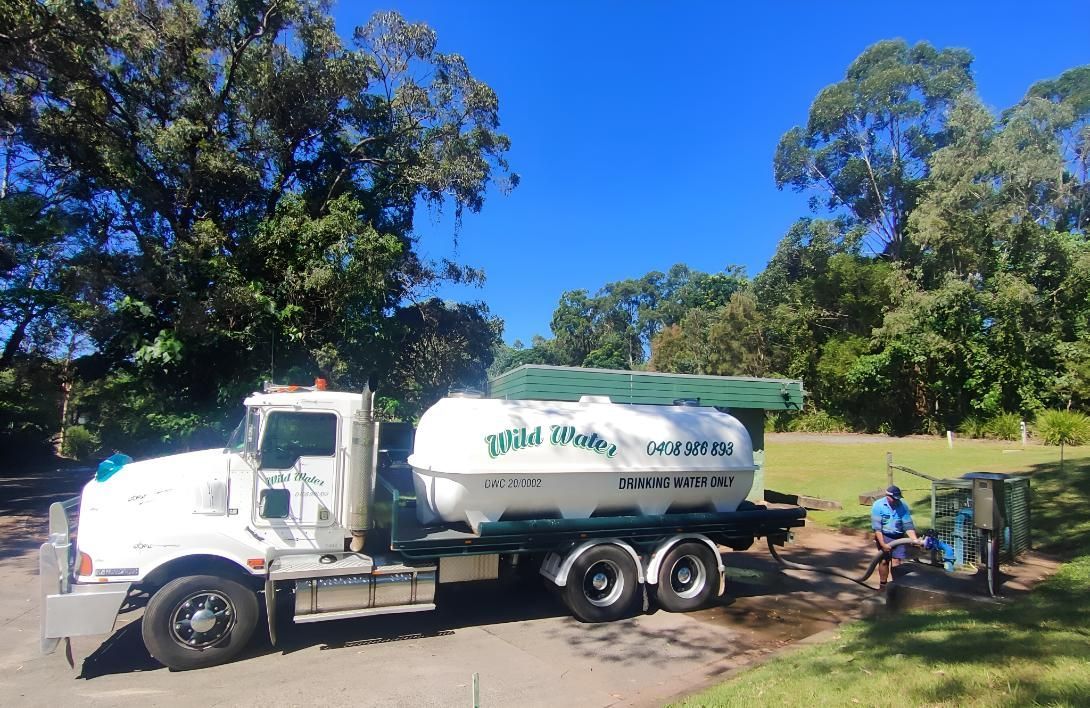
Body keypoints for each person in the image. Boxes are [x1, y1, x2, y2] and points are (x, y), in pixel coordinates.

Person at [871, 485, 919, 590]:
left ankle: (895, 587)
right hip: (884, 535)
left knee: (897, 561)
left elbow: (908, 526)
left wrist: (914, 539)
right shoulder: (878, 506)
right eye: (894, 498)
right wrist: (883, 544)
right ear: (887, 496)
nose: (896, 501)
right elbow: (877, 529)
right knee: (884, 561)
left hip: (899, 537)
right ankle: (883, 586)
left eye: (898, 498)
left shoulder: (903, 506)